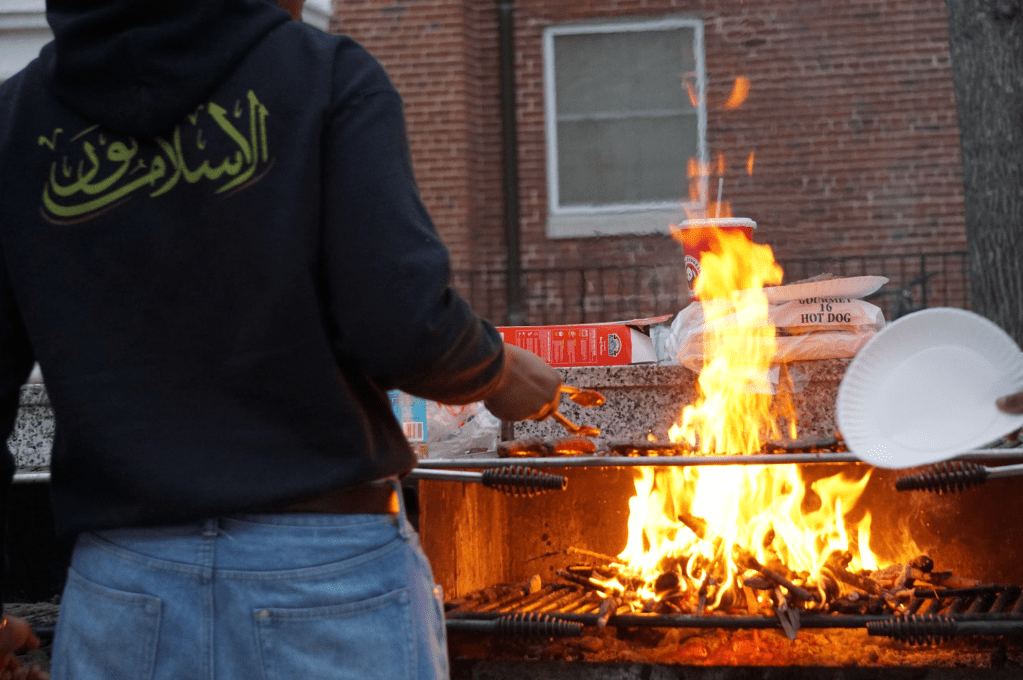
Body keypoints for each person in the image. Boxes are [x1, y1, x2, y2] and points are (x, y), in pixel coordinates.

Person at [0, 0, 562, 678]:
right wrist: (499, 373)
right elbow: (401, 323)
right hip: (326, 582)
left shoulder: (15, 118)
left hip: (123, 591)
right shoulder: (325, 76)